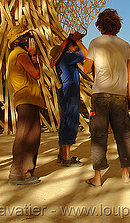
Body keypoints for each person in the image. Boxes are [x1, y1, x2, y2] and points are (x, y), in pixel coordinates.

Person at [83, 8, 130, 187]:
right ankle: (126, 175)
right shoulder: (125, 45)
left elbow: (86, 69)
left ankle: (97, 178)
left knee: (98, 136)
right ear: (117, 26)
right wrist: (129, 97)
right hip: (120, 96)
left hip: (100, 95)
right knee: (123, 135)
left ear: (100, 25)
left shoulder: (95, 43)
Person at [7, 24, 45, 185]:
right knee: (26, 136)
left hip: (27, 98)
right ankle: (19, 173)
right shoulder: (21, 55)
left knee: (31, 135)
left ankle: (25, 171)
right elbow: (36, 74)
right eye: (26, 37)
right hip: (27, 98)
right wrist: (34, 56)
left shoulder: (15, 54)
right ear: (20, 40)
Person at [50, 32, 87, 167]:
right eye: (74, 47)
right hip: (70, 92)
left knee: (65, 122)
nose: (76, 49)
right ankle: (66, 157)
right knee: (71, 122)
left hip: (65, 91)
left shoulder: (63, 58)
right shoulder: (67, 56)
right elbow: (86, 54)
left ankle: (62, 153)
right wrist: (79, 42)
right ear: (69, 47)